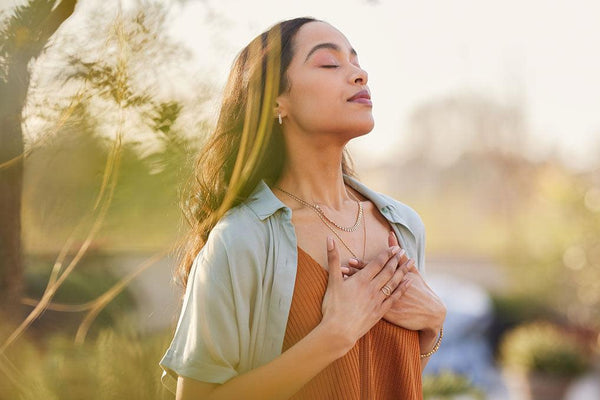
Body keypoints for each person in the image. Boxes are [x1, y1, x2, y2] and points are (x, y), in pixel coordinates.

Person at [159, 16, 446, 400]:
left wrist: (432, 327)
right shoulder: (240, 240)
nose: (359, 74)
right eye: (330, 63)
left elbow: (388, 376)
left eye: (356, 62)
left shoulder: (405, 226)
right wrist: (333, 336)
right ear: (278, 101)